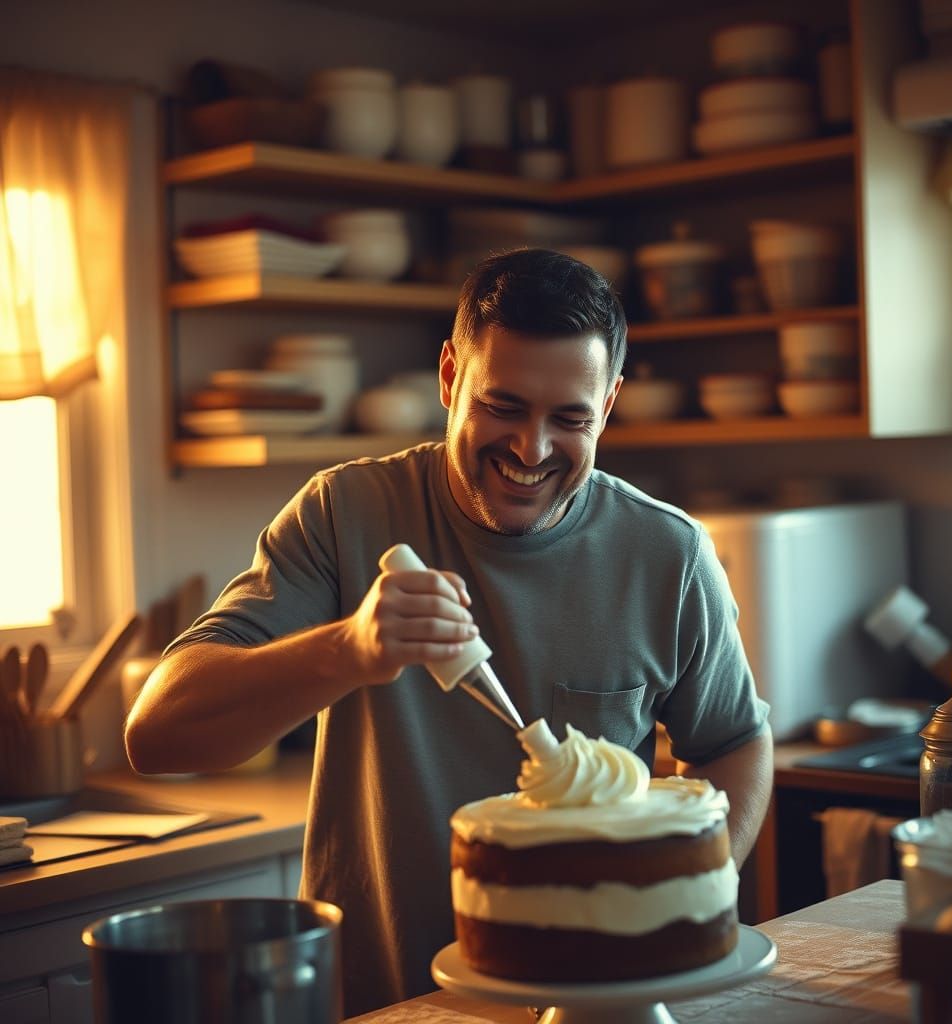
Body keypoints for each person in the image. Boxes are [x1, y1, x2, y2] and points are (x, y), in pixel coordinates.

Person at [125, 247, 773, 1017]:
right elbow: (159, 736)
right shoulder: (343, 515)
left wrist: (686, 902)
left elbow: (734, 742)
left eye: (569, 418)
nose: (530, 450)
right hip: (387, 1001)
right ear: (448, 377)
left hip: (596, 1007)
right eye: (503, 406)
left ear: (608, 406)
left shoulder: (669, 555)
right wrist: (349, 649)